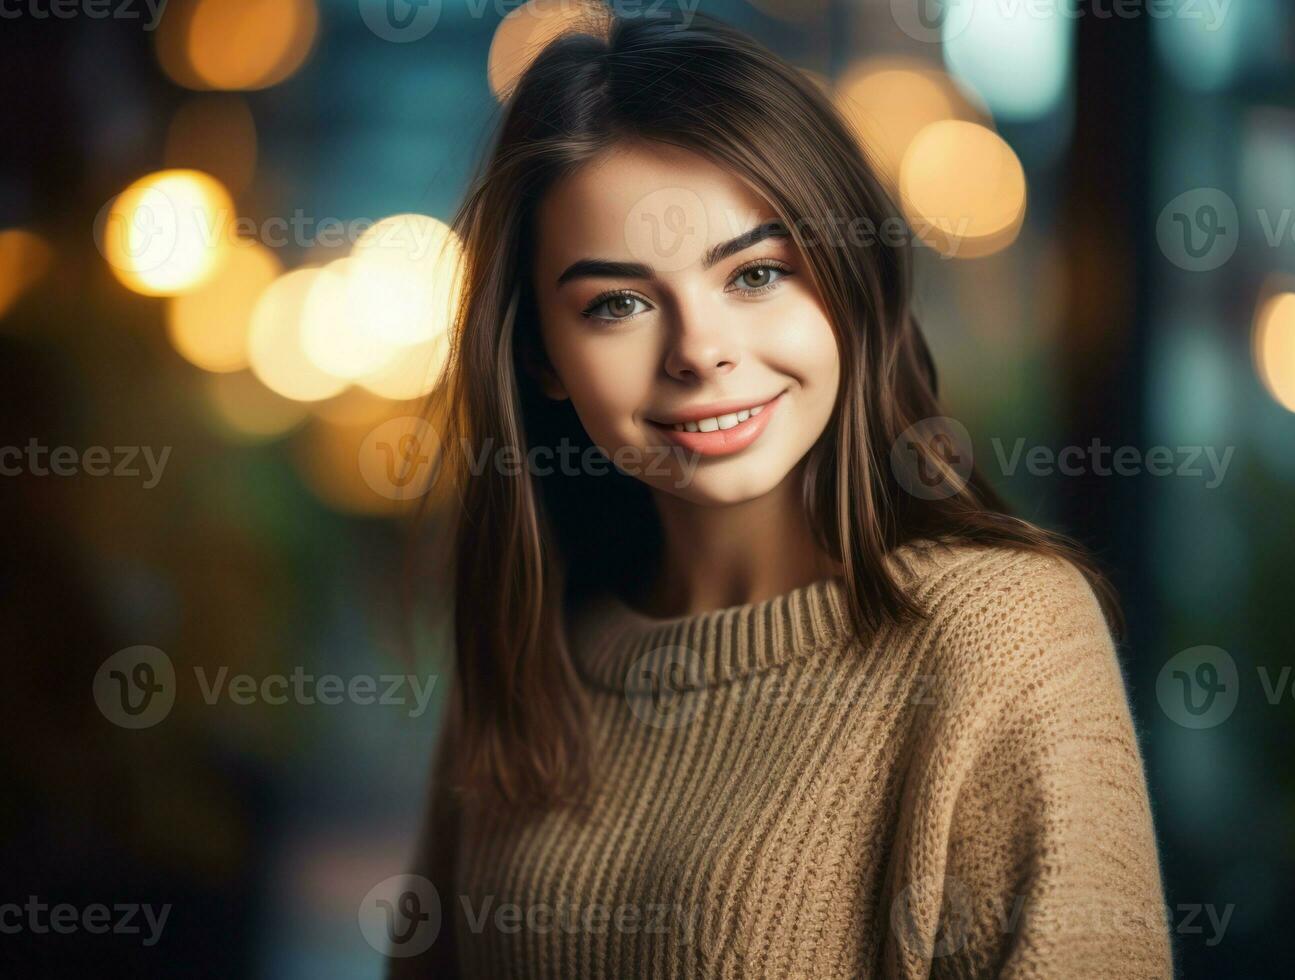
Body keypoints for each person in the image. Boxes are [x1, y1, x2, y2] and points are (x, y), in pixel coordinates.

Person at [389, 9, 1171, 978]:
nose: (700, 351)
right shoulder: (530, 641)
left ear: (845, 282)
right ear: (543, 354)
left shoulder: (1003, 635)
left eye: (756, 273)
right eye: (618, 304)